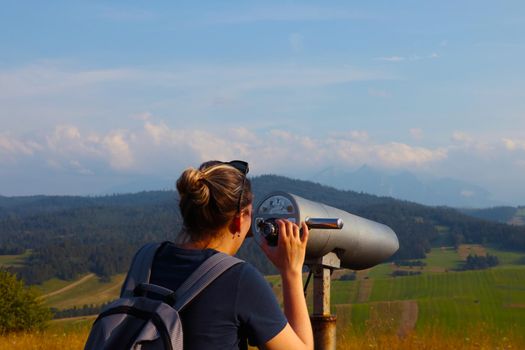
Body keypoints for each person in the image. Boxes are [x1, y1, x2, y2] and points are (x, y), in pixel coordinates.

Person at [149, 160, 314, 350]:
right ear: (238, 220)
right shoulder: (239, 280)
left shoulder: (146, 260)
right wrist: (291, 271)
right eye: (251, 215)